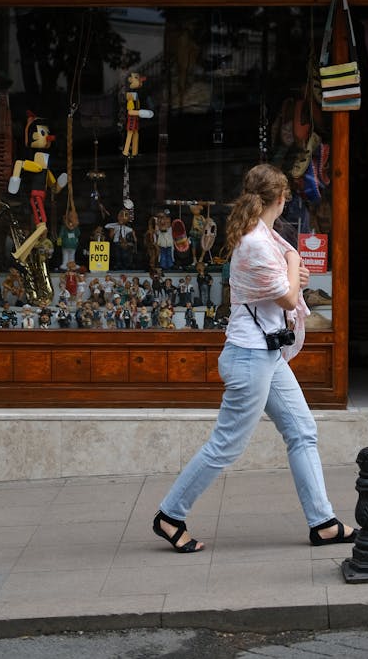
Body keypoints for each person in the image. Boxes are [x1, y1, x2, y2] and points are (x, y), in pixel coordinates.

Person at [152, 163, 356, 554]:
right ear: (280, 199)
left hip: (265, 354)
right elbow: (284, 295)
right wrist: (297, 266)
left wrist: (293, 274)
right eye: (286, 198)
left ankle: (323, 522)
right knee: (226, 444)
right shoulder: (259, 243)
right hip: (250, 358)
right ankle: (169, 515)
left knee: (302, 431)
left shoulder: (263, 235)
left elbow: (284, 288)